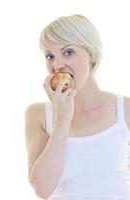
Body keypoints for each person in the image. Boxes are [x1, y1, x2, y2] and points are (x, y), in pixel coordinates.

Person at [25, 14, 130, 199]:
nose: (57, 66)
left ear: (91, 55)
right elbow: (42, 189)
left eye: (68, 52)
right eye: (50, 56)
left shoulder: (125, 109)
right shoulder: (39, 115)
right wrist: (63, 119)